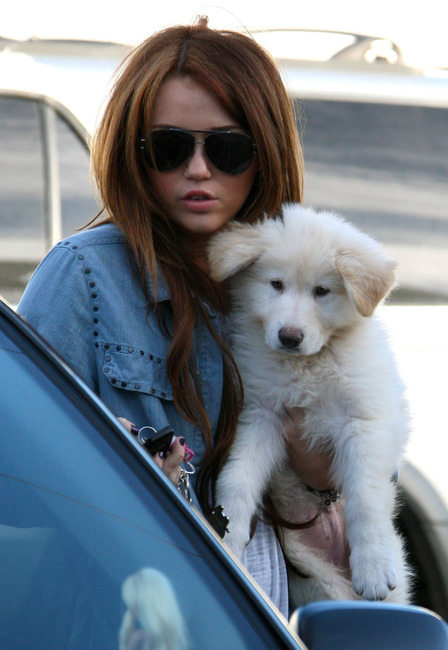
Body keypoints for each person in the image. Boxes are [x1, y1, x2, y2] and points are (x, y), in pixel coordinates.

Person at [18, 18, 344, 618]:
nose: (198, 170)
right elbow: (16, 485)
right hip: (127, 613)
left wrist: (318, 471)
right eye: (170, 147)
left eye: (226, 149)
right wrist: (115, 477)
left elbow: (361, 489)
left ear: (264, 151)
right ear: (133, 154)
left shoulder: (303, 283)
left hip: (259, 613)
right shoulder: (84, 277)